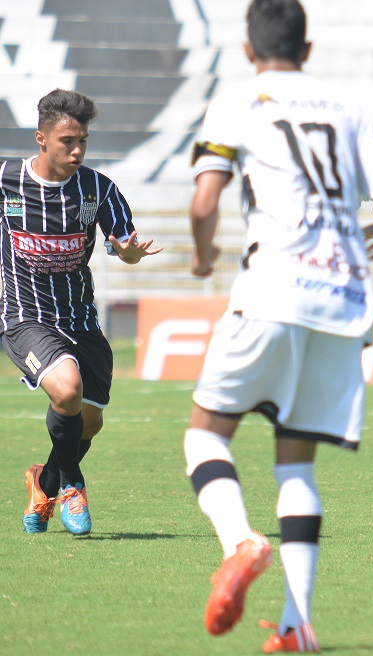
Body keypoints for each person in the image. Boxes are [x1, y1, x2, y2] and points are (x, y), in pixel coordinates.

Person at [183, 0, 373, 652]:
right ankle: (298, 625)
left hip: (272, 289)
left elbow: (205, 202)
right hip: (343, 302)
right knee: (296, 465)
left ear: (250, 50)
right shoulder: (352, 106)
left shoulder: (238, 100)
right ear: (307, 49)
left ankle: (241, 543)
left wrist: (203, 257)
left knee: (206, 437)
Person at [1, 89, 162, 536]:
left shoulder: (99, 188)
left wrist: (129, 254)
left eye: (83, 142)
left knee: (90, 421)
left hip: (81, 321)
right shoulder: (6, 181)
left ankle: (45, 480)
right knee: (67, 391)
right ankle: (72, 485)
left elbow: (124, 245)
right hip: (25, 315)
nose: (76, 150)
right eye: (67, 141)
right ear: (41, 138)